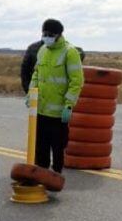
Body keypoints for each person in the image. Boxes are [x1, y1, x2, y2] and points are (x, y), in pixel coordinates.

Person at [28, 19, 84, 175]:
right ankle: (41, 175)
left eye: (50, 35)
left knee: (58, 147)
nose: (46, 37)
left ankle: (56, 175)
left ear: (59, 35)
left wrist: (69, 105)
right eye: (44, 34)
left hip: (59, 113)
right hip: (41, 110)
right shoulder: (42, 51)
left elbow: (76, 81)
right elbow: (36, 74)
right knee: (40, 147)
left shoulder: (69, 52)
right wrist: (31, 93)